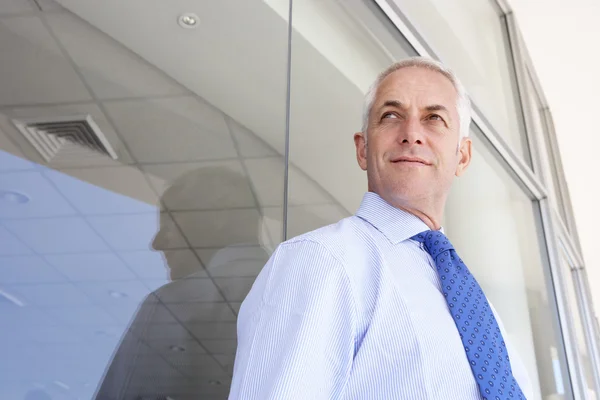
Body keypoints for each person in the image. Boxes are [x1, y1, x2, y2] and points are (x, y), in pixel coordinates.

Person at [228, 57, 534, 399]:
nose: (412, 135)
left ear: (462, 156)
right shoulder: (321, 261)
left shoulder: (471, 297)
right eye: (391, 116)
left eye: (434, 118)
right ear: (362, 149)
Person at [94, 166, 276, 400]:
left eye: (169, 223)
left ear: (217, 216)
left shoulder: (174, 303)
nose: (156, 243)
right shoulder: (311, 299)